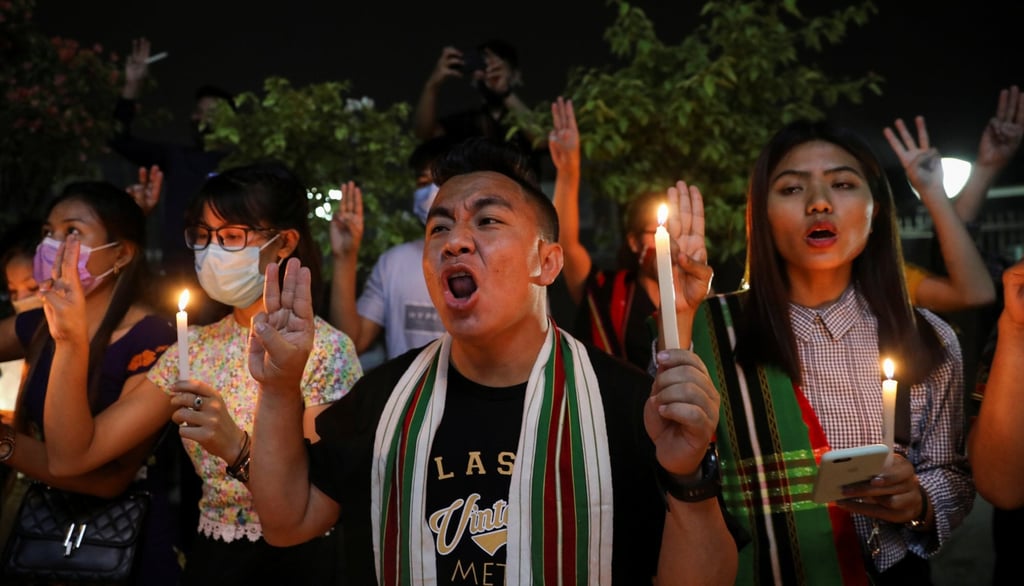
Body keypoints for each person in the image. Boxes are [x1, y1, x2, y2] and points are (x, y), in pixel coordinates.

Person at [245, 137, 738, 584]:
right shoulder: (384, 398)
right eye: (439, 228)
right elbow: (287, 521)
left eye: (488, 220)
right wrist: (281, 387)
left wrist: (689, 475)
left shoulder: (625, 404)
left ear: (545, 263)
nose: (455, 241)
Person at [32, 161, 363, 585]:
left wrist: (237, 448)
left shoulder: (326, 350)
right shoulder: (193, 349)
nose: (212, 251)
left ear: (284, 244)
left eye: (231, 237)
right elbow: (72, 456)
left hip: (300, 564)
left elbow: (317, 501)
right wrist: (70, 343)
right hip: (213, 560)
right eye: (203, 237)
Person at [684, 120, 973, 584]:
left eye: (842, 183)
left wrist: (917, 502)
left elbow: (952, 474)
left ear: (875, 210)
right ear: (761, 214)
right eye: (792, 188)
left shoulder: (930, 338)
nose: (819, 202)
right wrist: (680, 322)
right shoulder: (713, 332)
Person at [0, 181, 181, 585]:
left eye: (73, 232)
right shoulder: (37, 324)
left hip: (118, 547)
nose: (54, 246)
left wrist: (6, 445)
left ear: (120, 253)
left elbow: (105, 479)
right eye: (49, 233)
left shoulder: (156, 342)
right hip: (35, 532)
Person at [110, 37, 232, 320]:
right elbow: (120, 139)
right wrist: (131, 87)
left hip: (228, 281)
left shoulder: (244, 164)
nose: (202, 118)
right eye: (199, 111)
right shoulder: (177, 157)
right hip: (177, 277)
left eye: (212, 112)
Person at [549, 96, 667, 370]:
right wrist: (569, 171)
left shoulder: (696, 298)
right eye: (658, 231)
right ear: (634, 242)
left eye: (675, 231)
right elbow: (566, 243)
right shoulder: (607, 291)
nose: (668, 242)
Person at [328, 138, 451, 367]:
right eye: (423, 181)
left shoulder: (486, 258)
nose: (431, 191)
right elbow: (349, 345)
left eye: (441, 180)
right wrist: (345, 257)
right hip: (405, 401)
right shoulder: (393, 263)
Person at [412, 40, 544, 177]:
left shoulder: (534, 114)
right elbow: (424, 133)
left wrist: (505, 91)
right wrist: (433, 84)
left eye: (497, 67)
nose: (488, 72)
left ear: (516, 75)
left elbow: (541, 140)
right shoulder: (467, 121)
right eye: (482, 66)